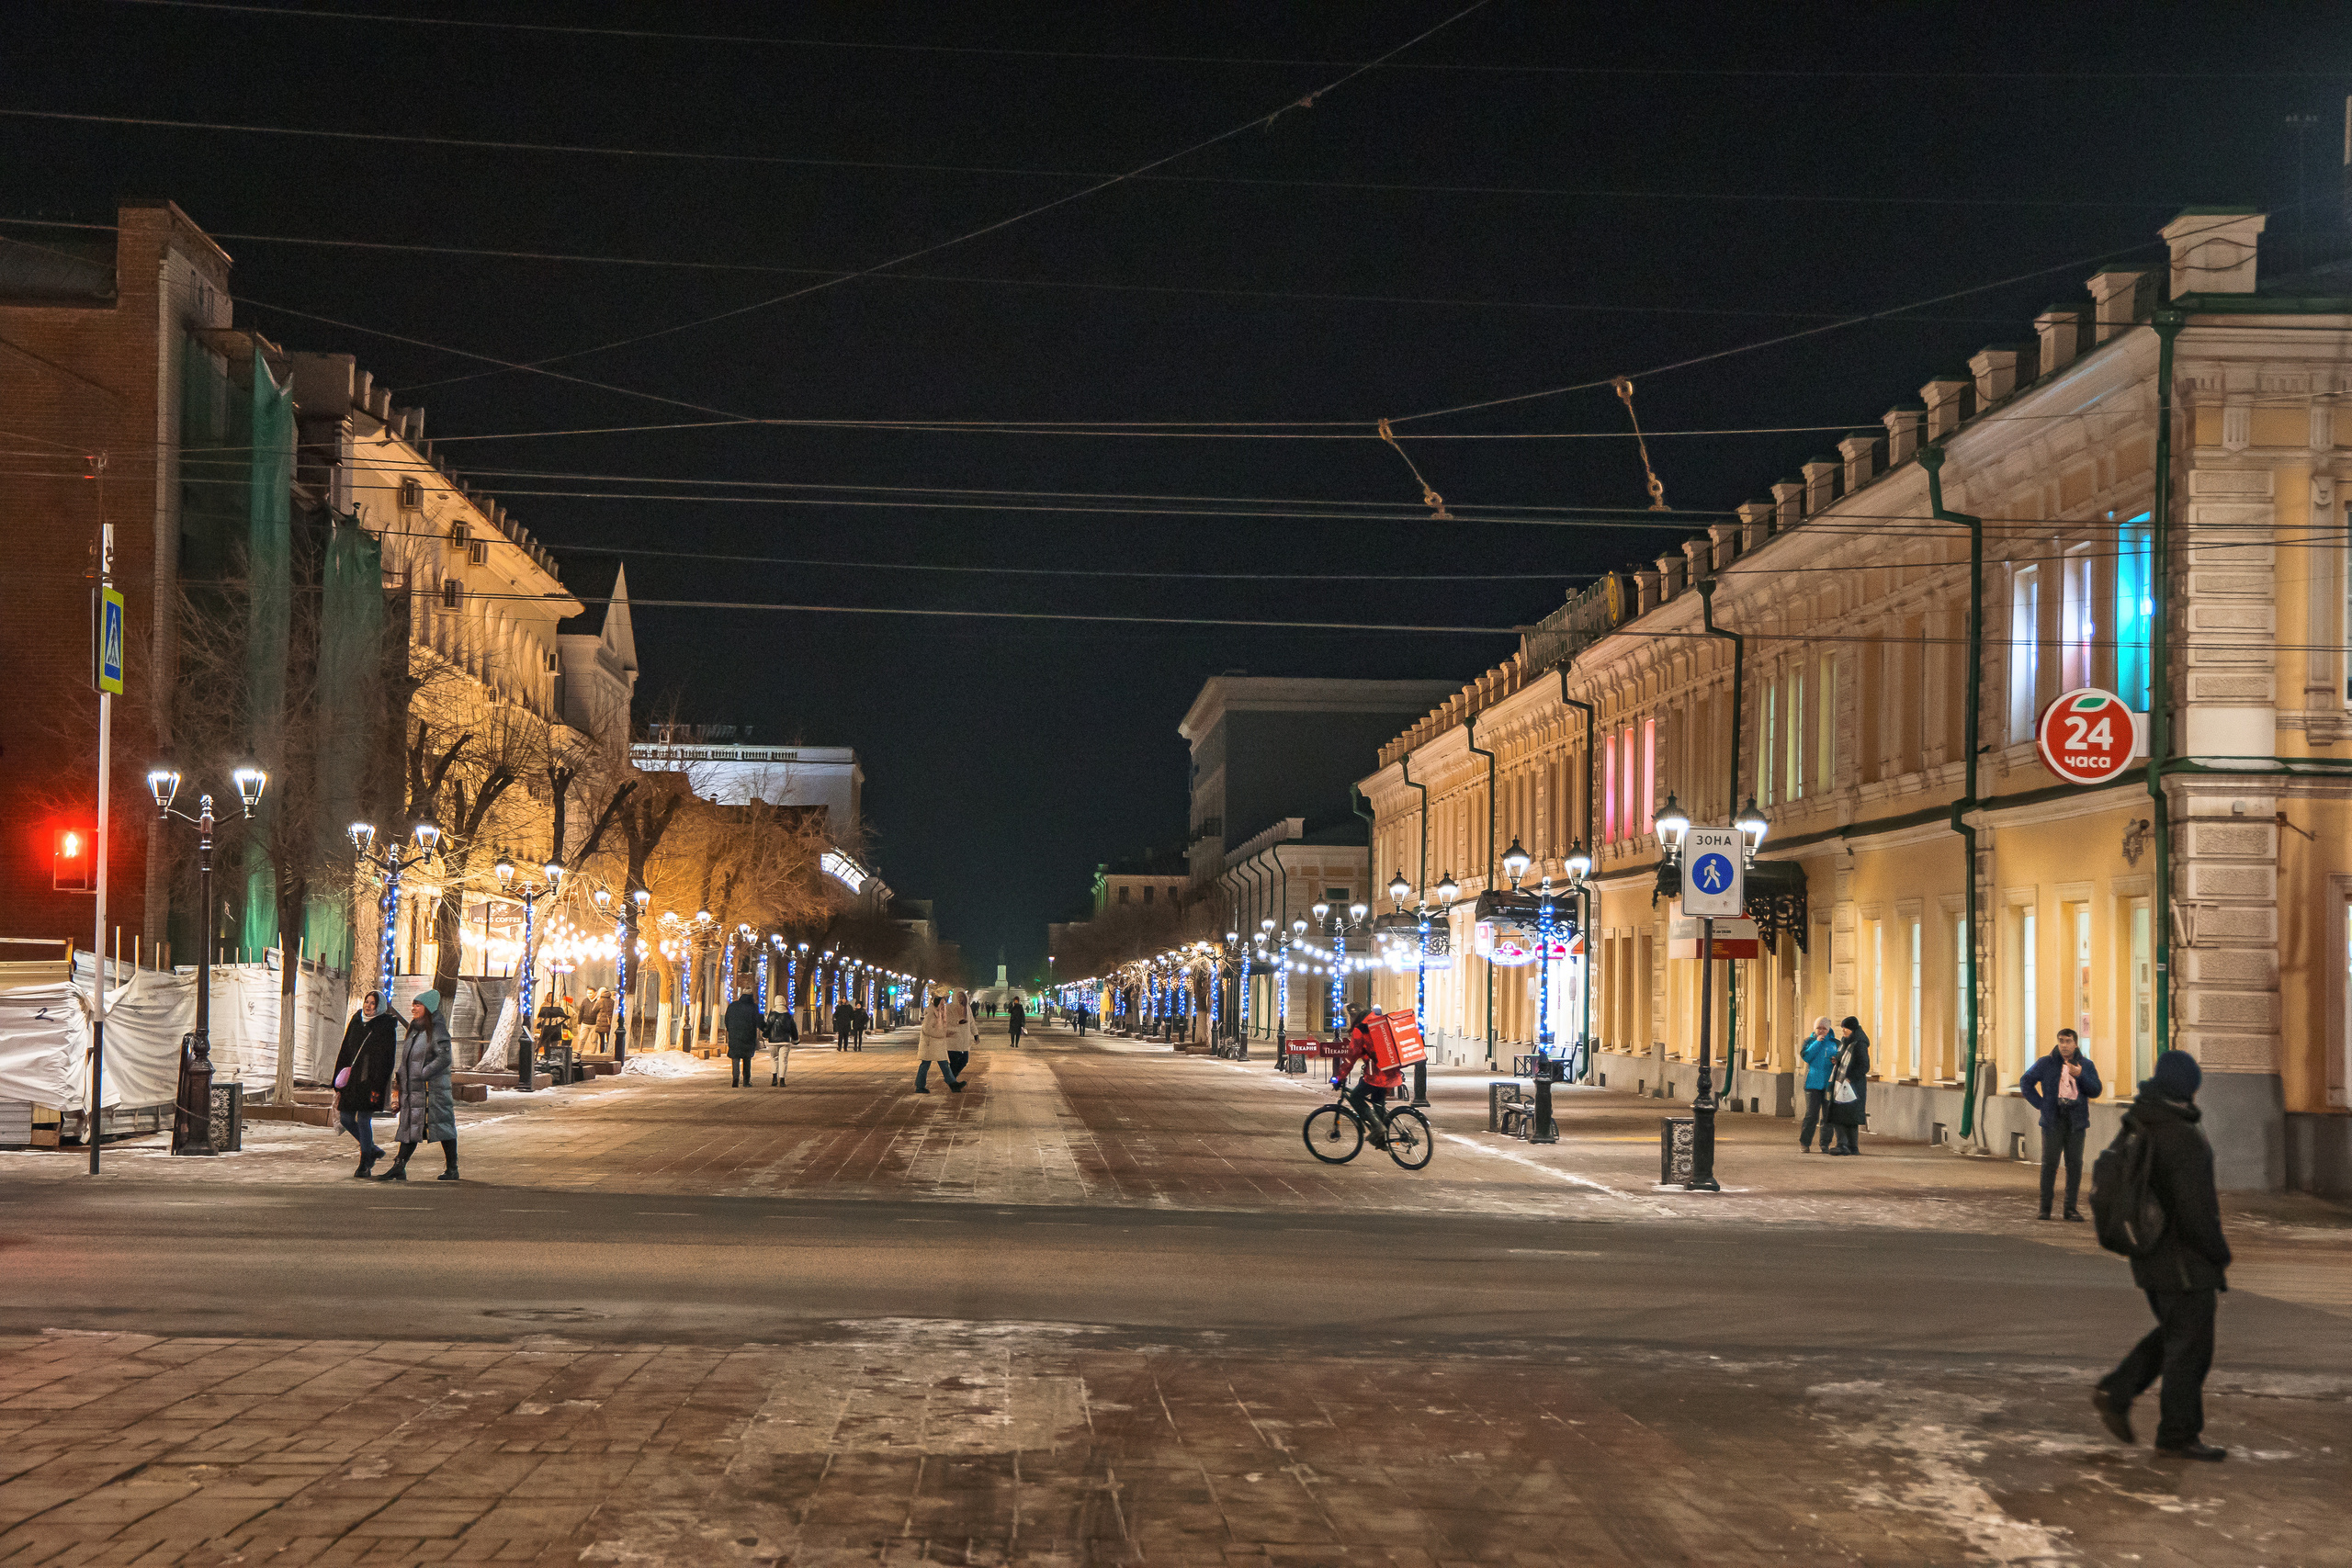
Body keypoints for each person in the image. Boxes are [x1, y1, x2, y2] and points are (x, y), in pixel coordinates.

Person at [2093, 1050, 2232, 1461]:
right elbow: (2196, 1211)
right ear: (2188, 1086)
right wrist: (2217, 1254)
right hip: (2182, 1261)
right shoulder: (2181, 1136)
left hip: (2150, 1254)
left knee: (2175, 1335)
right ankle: (2177, 1434)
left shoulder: (2140, 1123)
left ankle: (2117, 1391)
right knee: (2191, 1349)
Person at [2019, 1027, 2105, 1221]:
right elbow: (2026, 1081)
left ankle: (2070, 1209)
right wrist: (2041, 1104)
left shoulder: (2086, 1065)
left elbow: (2096, 1090)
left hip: (2076, 1122)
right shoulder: (2046, 1063)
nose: (2064, 1045)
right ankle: (2045, 1208)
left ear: (2075, 1043)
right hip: (2053, 1120)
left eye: (2068, 1041)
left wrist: (2080, 1074)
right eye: (2061, 1041)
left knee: (2074, 1165)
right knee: (2049, 1164)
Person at [383, 990, 458, 1182]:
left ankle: (452, 1168)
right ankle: (399, 1166)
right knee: (410, 1126)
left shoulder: (437, 1030)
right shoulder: (415, 1030)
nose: (413, 1008)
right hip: (414, 1090)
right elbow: (406, 1060)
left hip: (432, 1091)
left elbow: (444, 1057)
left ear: (429, 1008)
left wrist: (423, 1073)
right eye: (413, 1004)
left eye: (418, 1005)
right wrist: (399, 1080)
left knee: (442, 1126)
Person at [332, 991, 399, 1179]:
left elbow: (387, 1059)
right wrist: (337, 1080)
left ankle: (365, 1163)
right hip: (351, 1081)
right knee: (345, 1119)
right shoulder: (356, 1020)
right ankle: (372, 1149)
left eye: (373, 1003)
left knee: (363, 1120)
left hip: (371, 1081)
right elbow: (345, 1049)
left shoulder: (385, 1025)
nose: (369, 1006)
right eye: (367, 1002)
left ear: (380, 1006)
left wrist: (379, 1086)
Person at [1340, 1006, 1403, 1146]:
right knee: (1378, 1104)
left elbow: (1351, 1056)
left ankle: (1378, 1128)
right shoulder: (1380, 1023)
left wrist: (1340, 1077)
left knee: (1355, 1097)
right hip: (1392, 1071)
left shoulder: (1361, 1029)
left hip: (1377, 1075)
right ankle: (1382, 1140)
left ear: (1353, 1017)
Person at [1824, 1016, 1871, 1155]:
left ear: (1852, 1029)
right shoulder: (1846, 1042)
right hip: (1842, 1083)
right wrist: (1837, 1059)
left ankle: (1843, 1145)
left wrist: (1850, 1077)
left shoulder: (1859, 1043)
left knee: (1843, 1115)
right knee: (1847, 1116)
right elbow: (1844, 1058)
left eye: (1845, 1028)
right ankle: (1851, 1147)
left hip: (1851, 1086)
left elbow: (1864, 1065)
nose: (1843, 1030)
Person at [1798, 1017, 1838, 1153]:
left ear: (1829, 1029)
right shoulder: (1809, 1041)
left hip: (1829, 1084)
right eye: (1818, 1028)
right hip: (1812, 1084)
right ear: (1815, 1029)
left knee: (1828, 1116)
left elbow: (1841, 1059)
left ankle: (1825, 1143)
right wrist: (1817, 1043)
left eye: (1824, 1028)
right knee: (1811, 1115)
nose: (1821, 1031)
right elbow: (1806, 1056)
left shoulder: (1835, 1043)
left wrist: (1836, 1060)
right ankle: (1805, 1143)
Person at [915, 989, 967, 1093]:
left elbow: (940, 1028)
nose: (944, 1006)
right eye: (942, 1004)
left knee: (944, 1064)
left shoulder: (938, 1013)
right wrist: (942, 1035)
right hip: (929, 1044)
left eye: (944, 1004)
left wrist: (949, 1032)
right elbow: (927, 1029)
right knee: (925, 1065)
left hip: (936, 1044)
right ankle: (920, 1086)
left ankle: (953, 1084)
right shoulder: (931, 1013)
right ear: (938, 1003)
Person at [724, 987, 762, 1087]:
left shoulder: (733, 1006)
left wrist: (730, 1030)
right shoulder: (754, 1007)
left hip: (734, 1035)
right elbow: (757, 1021)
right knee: (747, 1058)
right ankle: (746, 1080)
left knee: (735, 1057)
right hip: (748, 1035)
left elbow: (727, 1019)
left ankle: (735, 1079)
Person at [763, 997, 798, 1085]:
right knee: (783, 1060)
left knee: (774, 1059)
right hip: (785, 1041)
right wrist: (796, 1039)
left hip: (773, 1041)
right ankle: (782, 1080)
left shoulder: (772, 1014)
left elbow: (768, 1027)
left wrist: (765, 1036)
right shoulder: (788, 1015)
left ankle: (774, 1078)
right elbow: (793, 1028)